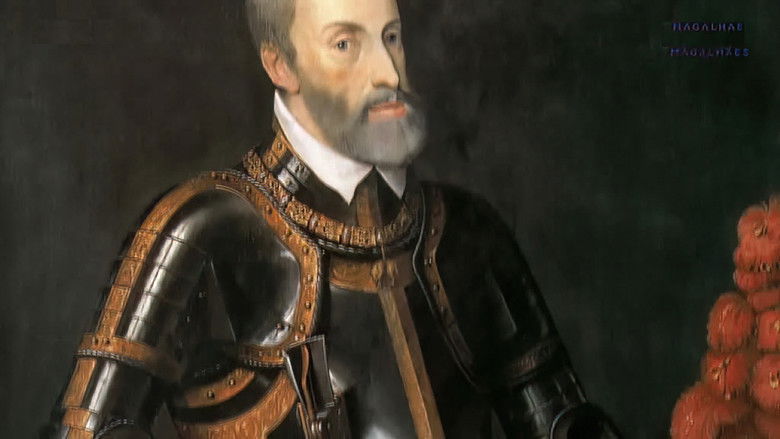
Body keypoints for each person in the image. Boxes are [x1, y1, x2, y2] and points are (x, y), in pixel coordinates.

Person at [45, 0, 618, 437]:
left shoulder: (471, 230)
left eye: (391, 37)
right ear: (279, 63)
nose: (388, 73)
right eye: (346, 44)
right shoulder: (199, 231)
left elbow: (558, 422)